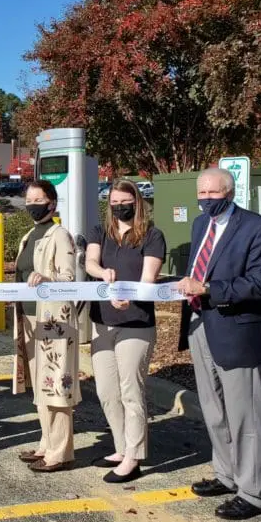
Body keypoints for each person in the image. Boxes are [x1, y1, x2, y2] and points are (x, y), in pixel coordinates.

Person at [176, 168, 261, 521]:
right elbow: (198, 270)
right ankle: (227, 474)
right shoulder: (199, 225)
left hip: (238, 329)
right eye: (200, 192)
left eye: (212, 193)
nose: (205, 198)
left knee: (246, 414)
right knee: (214, 408)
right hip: (200, 324)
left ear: (230, 192)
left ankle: (254, 492)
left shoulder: (257, 228)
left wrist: (209, 290)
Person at [84, 179, 166, 483]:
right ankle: (121, 446)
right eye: (114, 202)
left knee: (131, 391)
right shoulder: (100, 232)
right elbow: (91, 261)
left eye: (125, 201)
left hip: (135, 323)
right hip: (102, 321)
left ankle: (134, 457)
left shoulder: (152, 236)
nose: (120, 206)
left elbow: (148, 279)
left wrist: (130, 295)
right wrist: (102, 273)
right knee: (107, 391)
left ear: (137, 202)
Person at [13, 180, 80, 472]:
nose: (32, 204)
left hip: (55, 321)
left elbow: (69, 280)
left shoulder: (60, 235)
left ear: (52, 203)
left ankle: (61, 451)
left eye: (38, 199)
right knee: (42, 385)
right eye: (29, 199)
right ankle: (46, 443)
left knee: (56, 384)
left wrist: (47, 280)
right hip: (29, 318)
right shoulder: (28, 235)